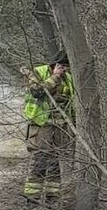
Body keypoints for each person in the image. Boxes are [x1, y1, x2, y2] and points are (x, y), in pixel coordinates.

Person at [22, 52, 74, 201]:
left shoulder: (68, 79)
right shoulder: (38, 73)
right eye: (62, 67)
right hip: (40, 126)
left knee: (54, 165)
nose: (64, 70)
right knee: (39, 162)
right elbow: (38, 92)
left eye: (66, 68)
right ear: (54, 65)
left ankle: (52, 198)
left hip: (59, 129)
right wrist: (55, 77)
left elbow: (71, 104)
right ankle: (32, 198)